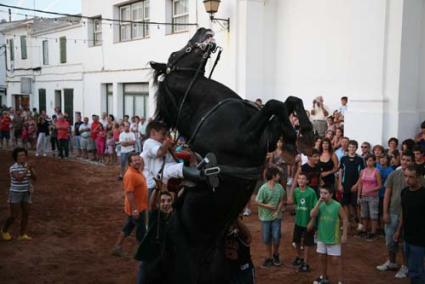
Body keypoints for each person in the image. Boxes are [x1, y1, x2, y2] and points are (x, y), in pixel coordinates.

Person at [377, 151, 416, 278]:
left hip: (409, 215)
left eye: (408, 160)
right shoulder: (394, 174)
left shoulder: (417, 177)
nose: (405, 162)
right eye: (403, 159)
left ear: (412, 161)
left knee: (405, 242)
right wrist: (385, 212)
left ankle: (405, 267)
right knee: (390, 240)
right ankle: (392, 262)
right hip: (393, 212)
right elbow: (387, 194)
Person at [112, 153, 148, 256]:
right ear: (130, 163)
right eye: (135, 161)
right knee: (141, 231)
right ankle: (141, 252)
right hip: (136, 208)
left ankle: (117, 247)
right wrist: (135, 210)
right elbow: (129, 193)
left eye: (138, 160)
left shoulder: (136, 171)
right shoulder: (130, 175)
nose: (138, 162)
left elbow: (141, 165)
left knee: (128, 227)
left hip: (137, 207)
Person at [135, 190, 173, 284]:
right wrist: (156, 190)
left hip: (163, 261)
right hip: (148, 259)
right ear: (158, 204)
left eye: (168, 201)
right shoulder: (155, 215)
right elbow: (152, 205)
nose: (166, 203)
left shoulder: (173, 218)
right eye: (163, 201)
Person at [394, 165, 425, 284]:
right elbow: (403, 212)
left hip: (420, 238)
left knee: (417, 271)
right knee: (412, 270)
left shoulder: (423, 194)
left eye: (411, 177)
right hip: (407, 236)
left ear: (418, 178)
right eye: (405, 176)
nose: (407, 180)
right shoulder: (405, 192)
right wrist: (398, 230)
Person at [311, 186, 348, 284]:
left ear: (331, 194)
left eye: (325, 193)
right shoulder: (320, 204)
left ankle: (340, 281)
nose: (322, 195)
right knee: (321, 257)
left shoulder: (337, 205)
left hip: (334, 237)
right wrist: (318, 202)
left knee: (335, 260)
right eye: (321, 193)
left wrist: (344, 235)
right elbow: (312, 215)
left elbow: (344, 218)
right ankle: (324, 278)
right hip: (321, 236)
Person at [1, 147, 36, 241]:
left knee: (26, 214)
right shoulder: (13, 167)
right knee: (13, 215)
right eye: (20, 155)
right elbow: (19, 178)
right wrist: (27, 169)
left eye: (24, 155)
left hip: (26, 192)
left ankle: (22, 234)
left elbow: (35, 178)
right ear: (15, 157)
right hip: (15, 193)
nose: (22, 157)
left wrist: (31, 169)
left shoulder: (27, 166)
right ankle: (4, 231)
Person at [255, 167, 286, 268]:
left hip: (276, 217)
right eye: (278, 174)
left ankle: (275, 254)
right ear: (273, 176)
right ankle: (269, 257)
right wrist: (268, 206)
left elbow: (282, 200)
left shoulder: (280, 187)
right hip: (265, 218)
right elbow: (257, 201)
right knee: (266, 238)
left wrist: (278, 210)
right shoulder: (263, 188)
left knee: (276, 237)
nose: (279, 176)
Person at [287, 172, 317, 272]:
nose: (301, 180)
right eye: (299, 179)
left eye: (303, 179)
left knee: (307, 243)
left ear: (307, 181)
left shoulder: (311, 192)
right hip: (298, 221)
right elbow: (293, 202)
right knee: (296, 241)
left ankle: (305, 263)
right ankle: (300, 257)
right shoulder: (296, 191)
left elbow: (315, 208)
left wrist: (312, 222)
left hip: (307, 222)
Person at [338, 139, 364, 229]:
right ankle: (347, 222)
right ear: (347, 148)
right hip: (345, 184)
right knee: (345, 204)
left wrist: (357, 185)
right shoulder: (343, 158)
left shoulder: (360, 159)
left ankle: (359, 223)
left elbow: (362, 174)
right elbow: (341, 172)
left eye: (353, 147)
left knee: (355, 205)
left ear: (356, 148)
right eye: (350, 147)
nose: (351, 148)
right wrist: (339, 184)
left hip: (355, 185)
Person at [356, 154, 382, 240]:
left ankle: (373, 232)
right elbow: (360, 184)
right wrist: (358, 195)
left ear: (374, 161)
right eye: (367, 160)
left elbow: (380, 185)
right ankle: (364, 230)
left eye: (371, 160)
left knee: (373, 214)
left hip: (373, 196)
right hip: (363, 196)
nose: (369, 162)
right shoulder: (363, 171)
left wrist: (369, 191)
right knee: (364, 214)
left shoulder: (376, 171)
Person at [224, 217, 255, 284]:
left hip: (244, 272)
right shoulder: (242, 237)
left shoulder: (242, 237)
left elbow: (247, 236)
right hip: (233, 272)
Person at [376, 154, 394, 233]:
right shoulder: (376, 168)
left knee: (384, 210)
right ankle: (379, 227)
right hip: (376, 193)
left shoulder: (391, 170)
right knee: (377, 211)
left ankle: (384, 228)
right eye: (381, 158)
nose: (382, 160)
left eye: (384, 158)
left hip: (385, 193)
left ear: (388, 160)